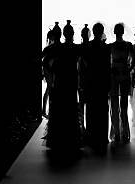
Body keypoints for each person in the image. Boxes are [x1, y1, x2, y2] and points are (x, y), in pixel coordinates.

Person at [43, 21, 81, 150]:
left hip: (61, 81)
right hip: (70, 82)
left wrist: (52, 74)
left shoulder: (58, 48)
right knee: (69, 109)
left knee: (60, 109)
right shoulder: (75, 48)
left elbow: (46, 62)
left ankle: (59, 139)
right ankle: (70, 138)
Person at [81, 22, 110, 150]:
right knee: (103, 110)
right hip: (102, 81)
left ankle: (91, 136)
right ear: (102, 31)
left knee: (91, 109)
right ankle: (102, 137)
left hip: (91, 81)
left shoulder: (88, 46)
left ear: (92, 31)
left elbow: (84, 66)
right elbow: (107, 67)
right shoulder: (105, 47)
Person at [109, 23, 135, 143]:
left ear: (115, 32)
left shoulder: (112, 46)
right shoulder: (128, 45)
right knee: (123, 105)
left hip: (115, 76)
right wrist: (127, 69)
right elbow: (133, 61)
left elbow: (133, 61)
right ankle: (124, 133)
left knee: (116, 105)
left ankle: (117, 133)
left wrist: (112, 69)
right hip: (123, 75)